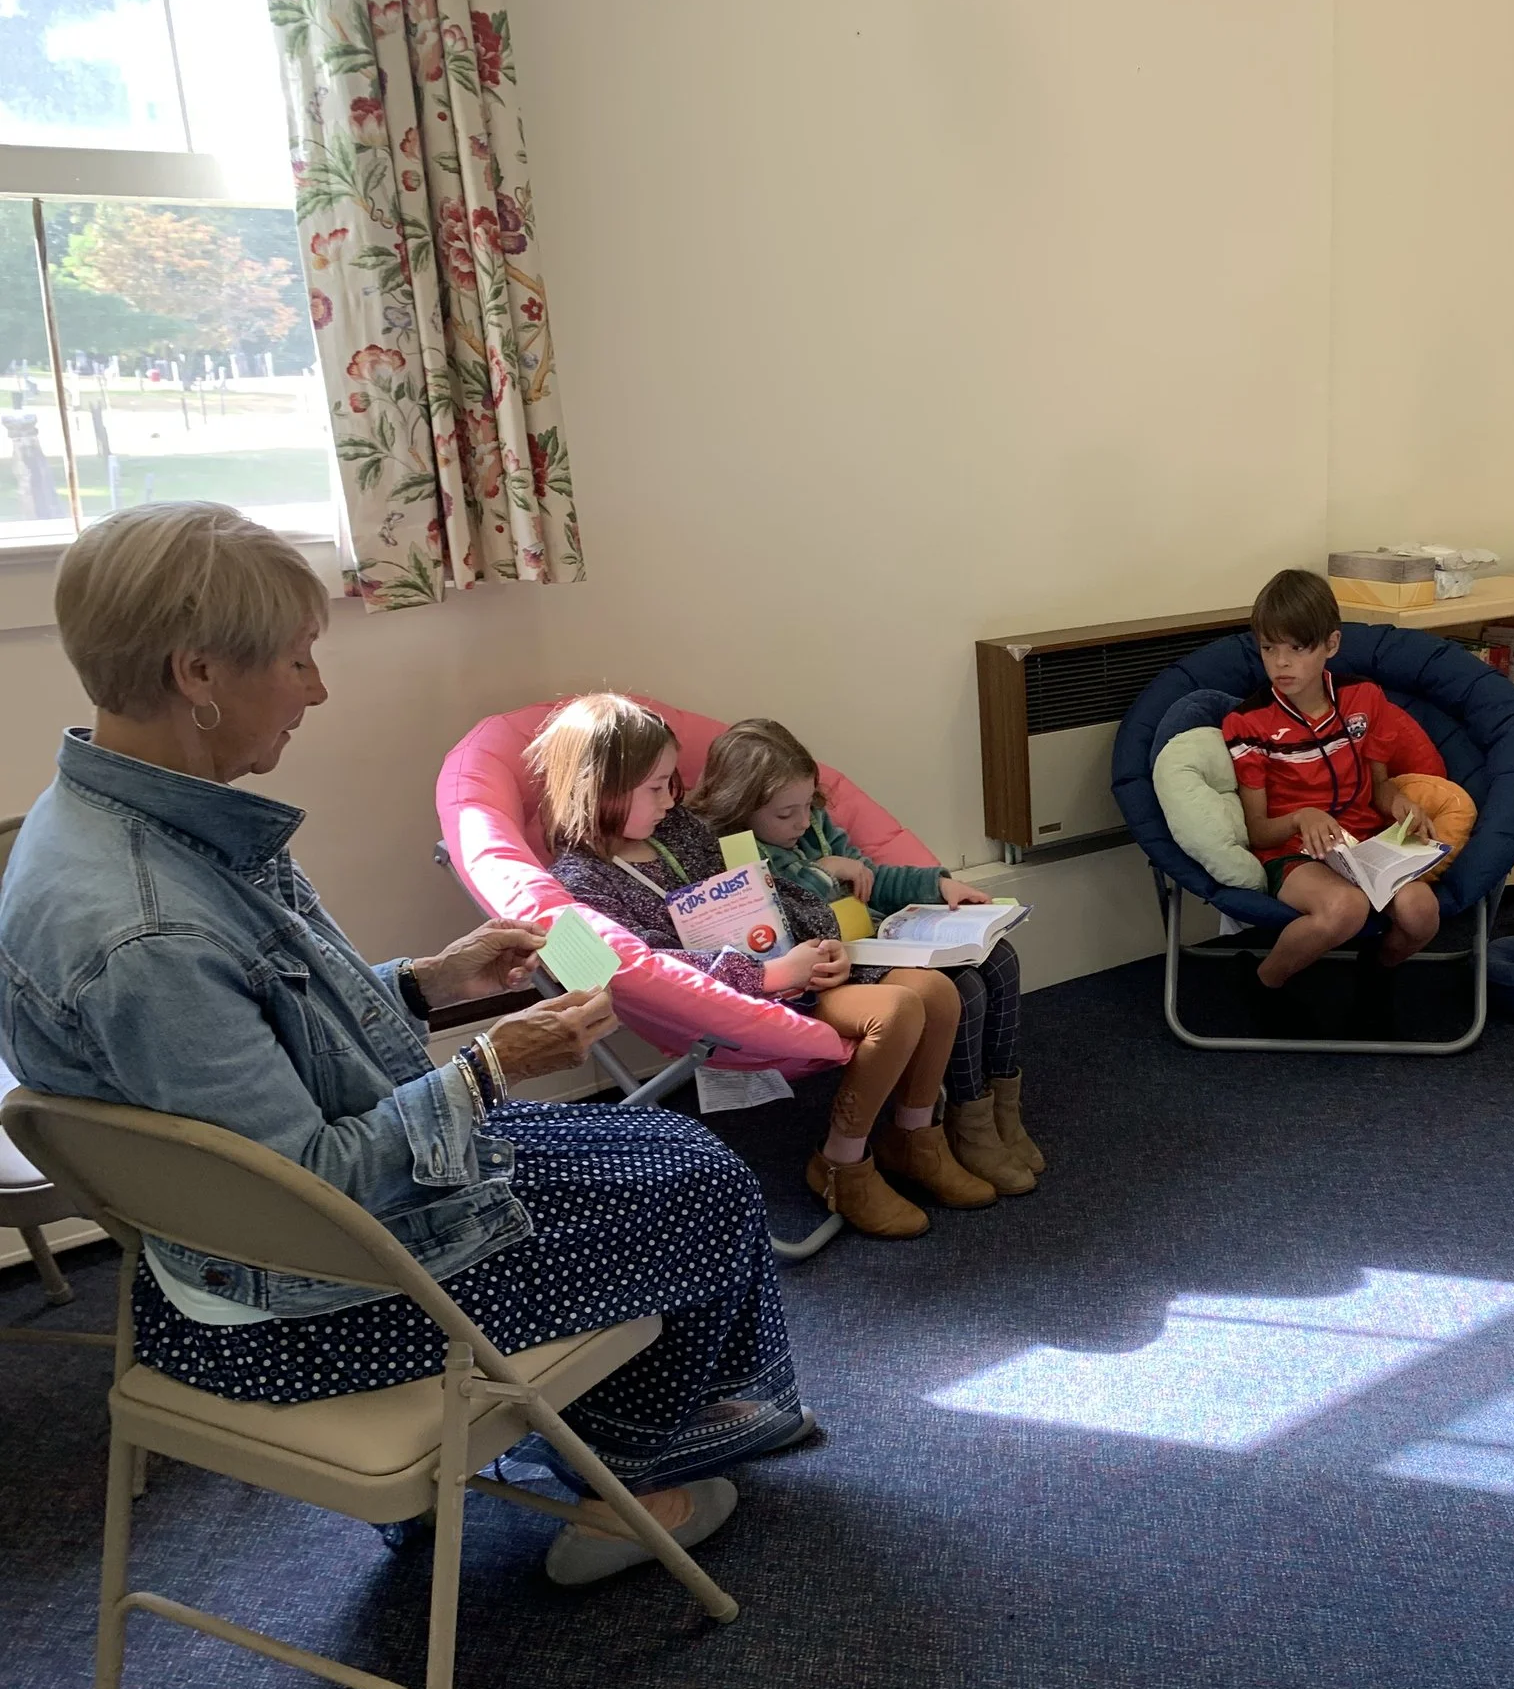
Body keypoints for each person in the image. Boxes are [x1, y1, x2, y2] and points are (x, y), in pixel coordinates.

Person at [0, 503, 807, 1588]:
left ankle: (582, 1446)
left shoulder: (104, 827)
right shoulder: (148, 928)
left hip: (230, 1265)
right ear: (198, 673)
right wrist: (493, 1064)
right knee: (700, 1181)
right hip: (308, 1311)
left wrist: (429, 985)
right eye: (297, 661)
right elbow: (303, 1187)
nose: (317, 689)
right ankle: (622, 1482)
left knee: (655, 1160)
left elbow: (248, 1058)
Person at [534, 695, 994, 1245]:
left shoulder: (678, 829)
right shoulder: (581, 881)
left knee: (939, 993)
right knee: (896, 1010)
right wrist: (770, 976)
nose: (670, 798)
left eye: (670, 782)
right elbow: (644, 967)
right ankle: (841, 1163)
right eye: (655, 787)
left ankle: (914, 1138)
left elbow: (759, 885)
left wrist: (820, 939)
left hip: (791, 965)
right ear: (602, 788)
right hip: (738, 999)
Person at [683, 718, 1044, 1196]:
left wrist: (937, 885)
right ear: (740, 807)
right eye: (785, 814)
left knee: (1000, 958)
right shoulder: (732, 853)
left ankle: (993, 1114)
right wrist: (827, 870)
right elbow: (790, 909)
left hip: (876, 940)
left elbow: (869, 874)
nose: (801, 823)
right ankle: (957, 1121)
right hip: (831, 967)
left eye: (807, 807)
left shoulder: (809, 825)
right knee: (965, 987)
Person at [1224, 568, 1441, 992]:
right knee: (1345, 908)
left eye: (1298, 648)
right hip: (1293, 853)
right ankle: (1264, 983)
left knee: (1421, 913)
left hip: (1363, 846)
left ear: (1331, 645)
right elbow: (1257, 830)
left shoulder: (1364, 698)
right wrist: (1301, 817)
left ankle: (1374, 974)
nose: (1281, 662)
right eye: (1269, 648)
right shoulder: (1247, 723)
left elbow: (1379, 786)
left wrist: (1400, 806)